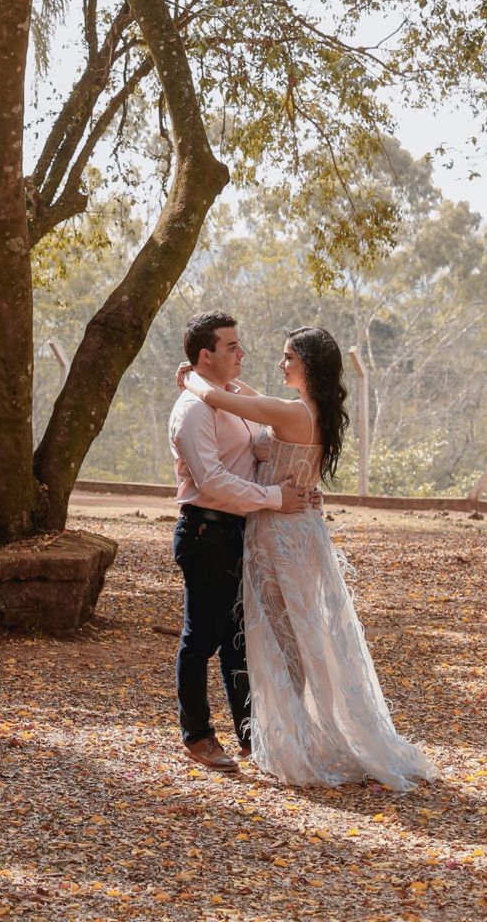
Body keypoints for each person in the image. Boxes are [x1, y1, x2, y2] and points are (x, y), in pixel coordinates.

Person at [179, 325, 437, 791]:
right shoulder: (305, 410)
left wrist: (191, 379)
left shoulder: (291, 413)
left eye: (287, 359)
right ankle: (291, 733)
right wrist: (217, 383)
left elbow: (227, 402)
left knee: (289, 639)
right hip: (293, 530)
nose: (280, 365)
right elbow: (249, 399)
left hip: (283, 533)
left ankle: (300, 739)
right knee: (292, 636)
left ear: (307, 366)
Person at [168, 311, 312, 774]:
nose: (242, 353)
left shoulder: (229, 400)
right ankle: (197, 734)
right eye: (231, 347)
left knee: (238, 638)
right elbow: (212, 479)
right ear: (205, 356)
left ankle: (251, 735)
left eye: (239, 344)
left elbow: (258, 451)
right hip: (206, 531)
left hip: (238, 533)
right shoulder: (193, 410)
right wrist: (274, 498)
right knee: (201, 638)